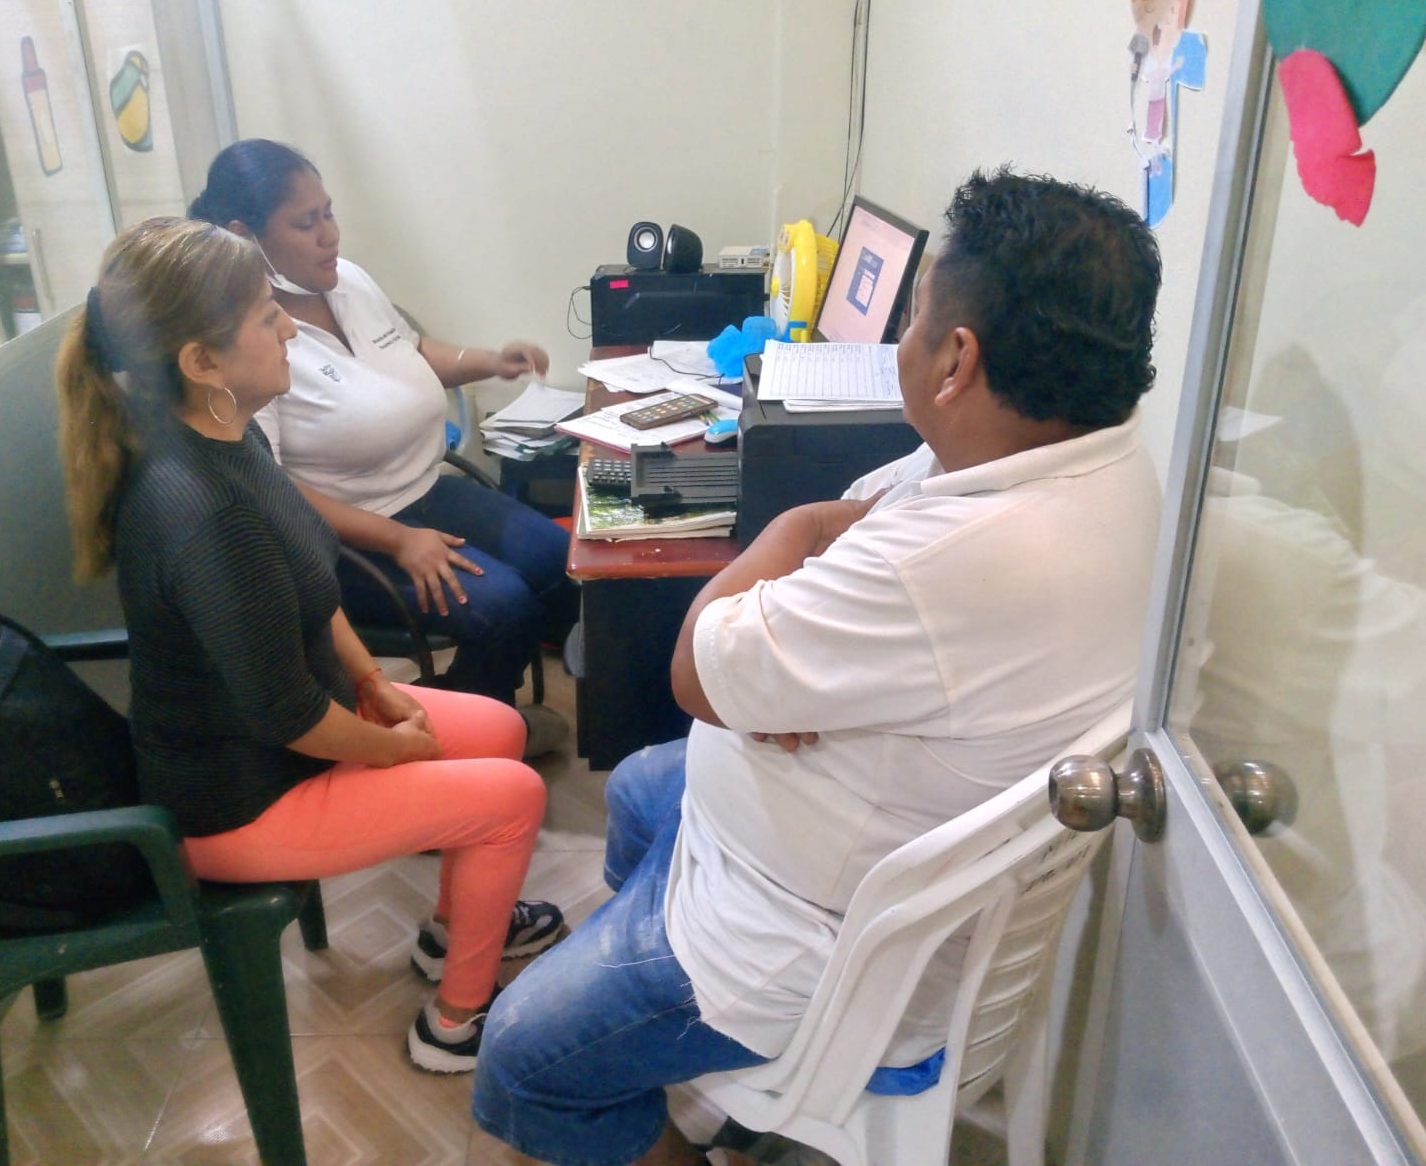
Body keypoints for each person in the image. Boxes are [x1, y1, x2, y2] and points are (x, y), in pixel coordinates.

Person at [471, 168, 1166, 1165]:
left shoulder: (949, 561)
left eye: (914, 321)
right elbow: (869, 528)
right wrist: (793, 647)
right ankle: (649, 1029)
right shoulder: (1097, 462)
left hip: (813, 937)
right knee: (637, 788)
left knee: (521, 1060)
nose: (901, 342)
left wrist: (794, 528)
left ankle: (653, 1065)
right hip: (834, 843)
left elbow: (694, 672)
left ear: (956, 360)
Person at [55, 216, 564, 1073]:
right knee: (512, 798)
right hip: (241, 801)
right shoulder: (202, 513)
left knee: (499, 728)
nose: (290, 327)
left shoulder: (234, 435)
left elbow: (313, 582)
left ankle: (452, 930)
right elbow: (286, 715)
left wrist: (373, 681)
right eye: (266, 315)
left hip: (296, 731)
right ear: (202, 362)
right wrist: (396, 748)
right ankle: (453, 1026)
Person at [187, 139, 577, 744]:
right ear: (244, 235)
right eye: (305, 223)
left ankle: (483, 712)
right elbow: (269, 485)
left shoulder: (348, 281)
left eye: (328, 213)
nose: (329, 235)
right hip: (346, 534)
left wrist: (490, 361)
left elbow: (410, 351)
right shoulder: (249, 338)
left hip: (425, 487)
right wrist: (398, 540)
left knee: (559, 561)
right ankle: (455, 741)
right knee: (504, 608)